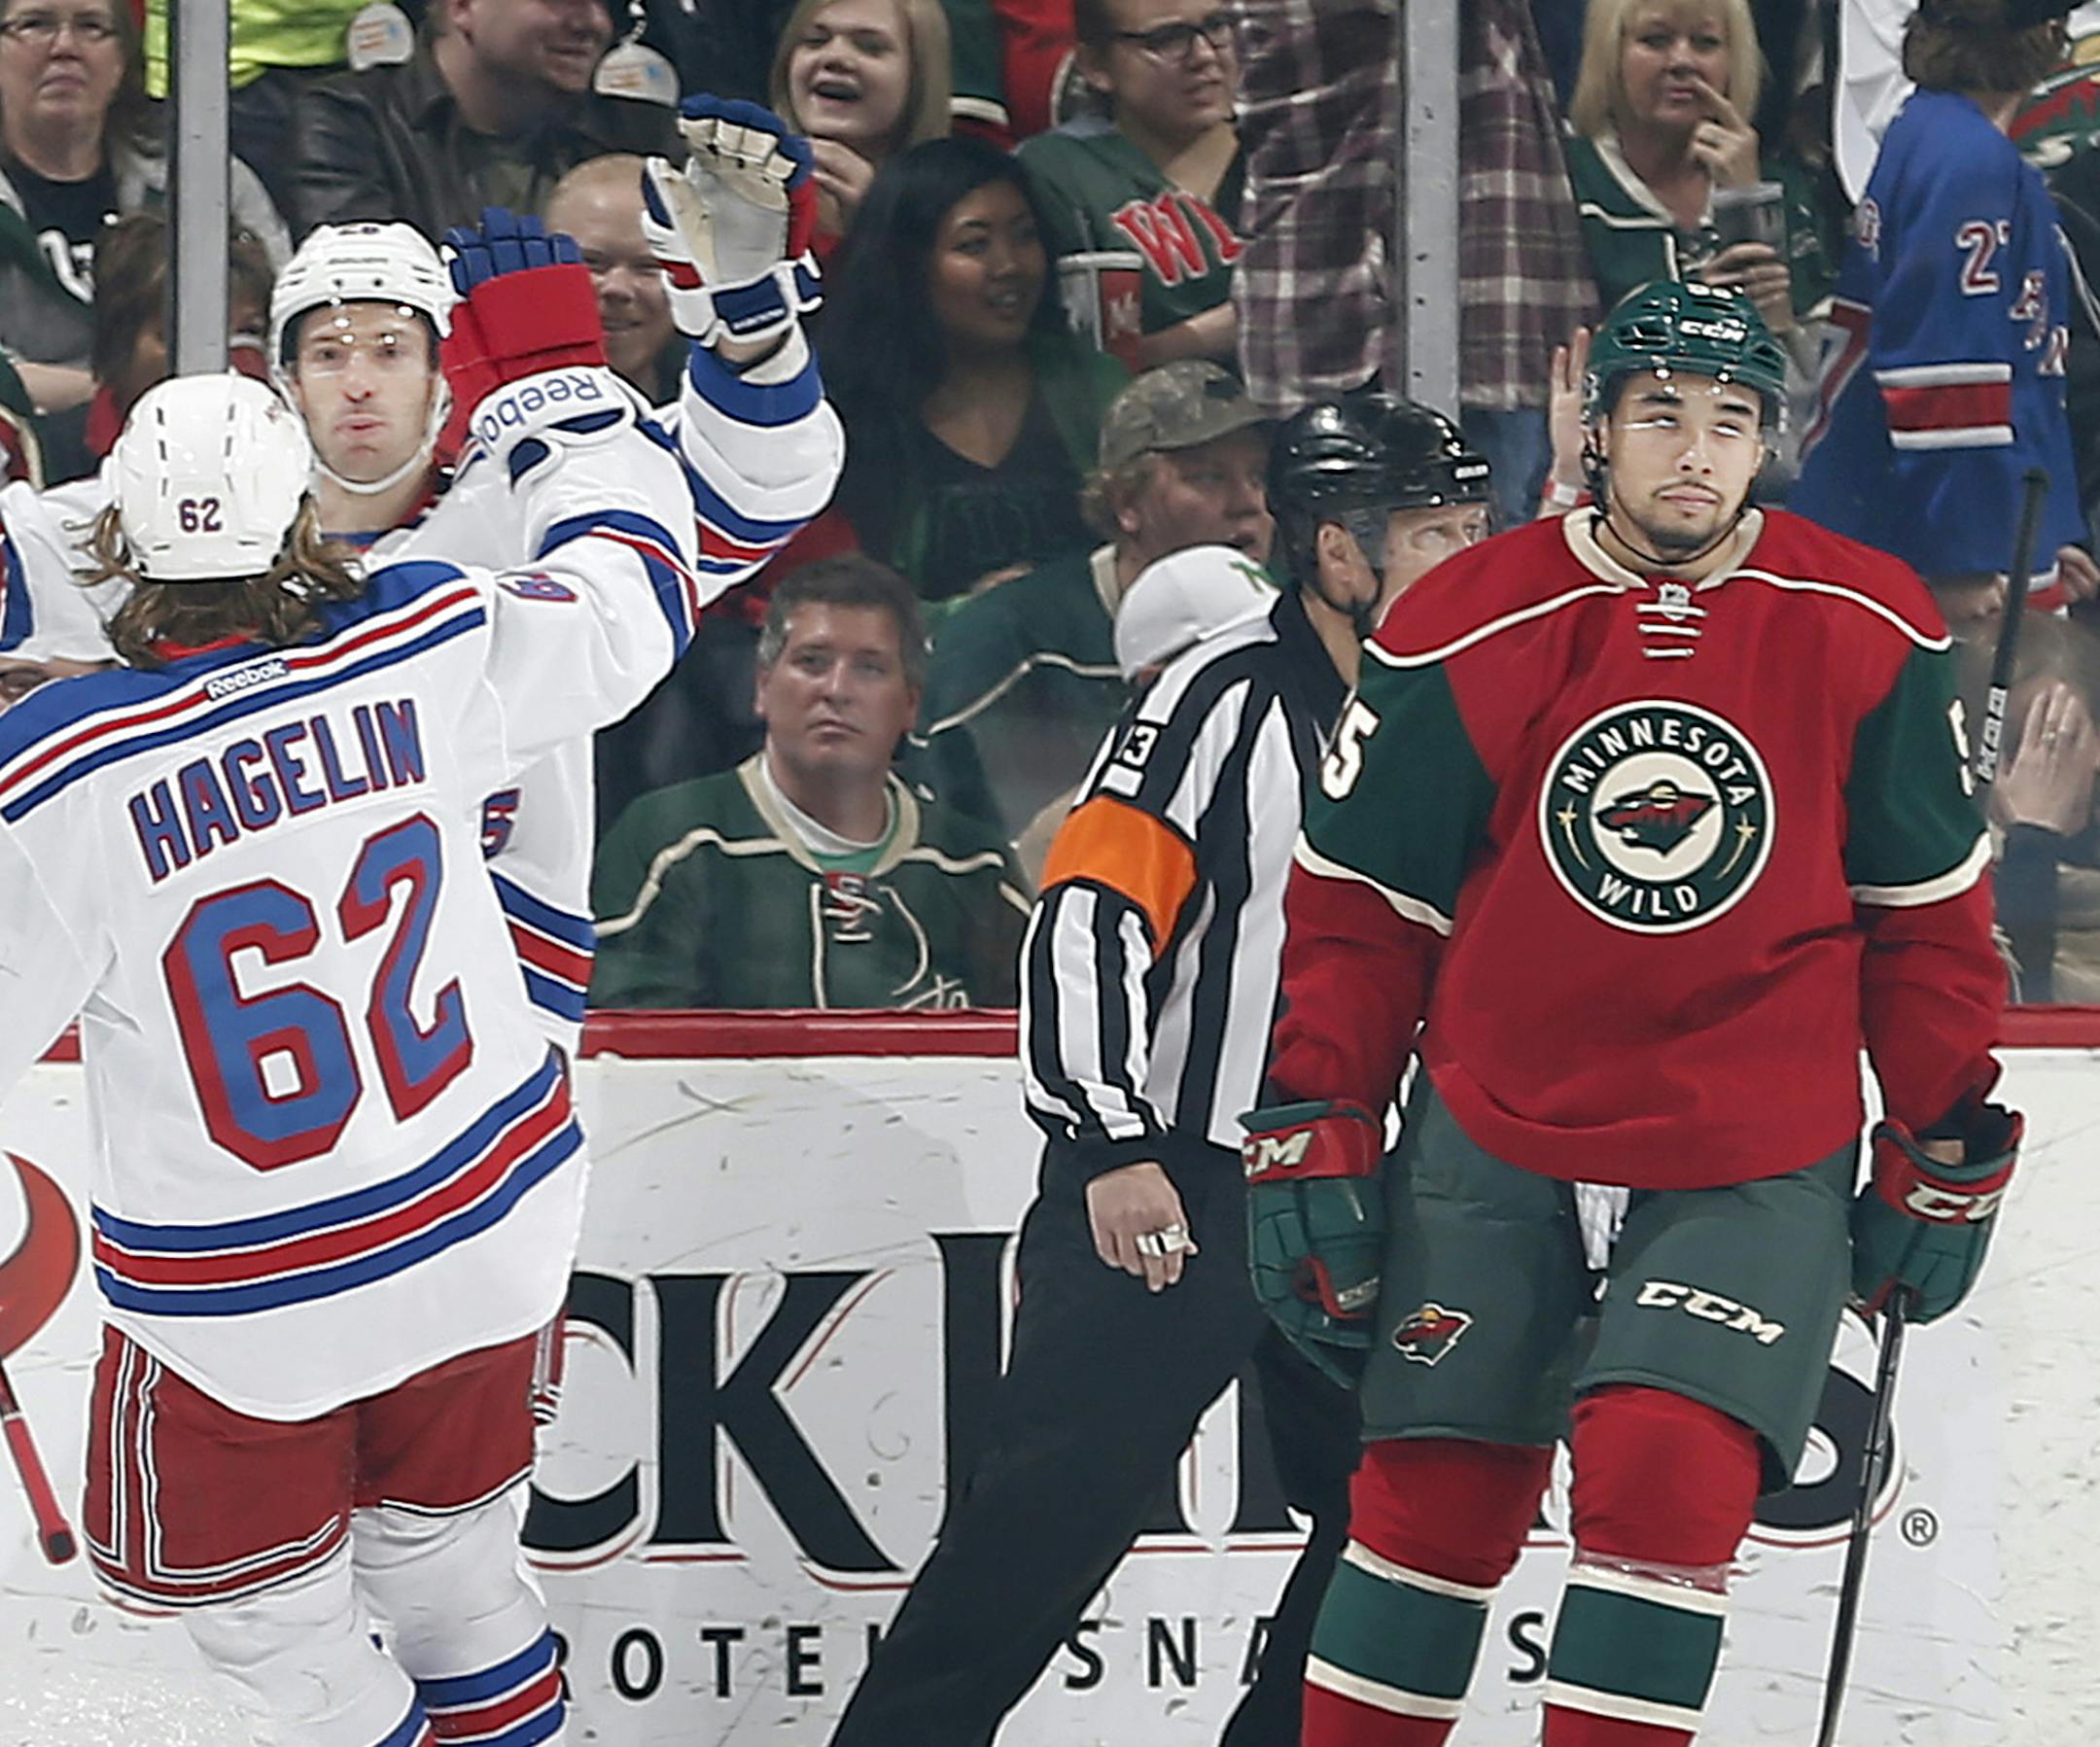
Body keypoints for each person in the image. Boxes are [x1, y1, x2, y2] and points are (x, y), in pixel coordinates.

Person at [1240, 280, 2015, 1747]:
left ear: (1766, 444)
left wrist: (1945, 1126)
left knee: (1668, 1488)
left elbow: (1927, 922)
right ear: (1593, 424)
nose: (1696, 453)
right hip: (1495, 1118)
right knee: (1428, 1504)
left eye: (1731, 422)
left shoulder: (1868, 622)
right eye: (1661, 413)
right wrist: (1322, 1116)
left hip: (1752, 1131)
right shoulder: (1465, 614)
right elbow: (1361, 911)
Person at [0, 221, 704, 1742]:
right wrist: (569, 399)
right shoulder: (428, 640)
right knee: (455, 1577)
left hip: (257, 1301)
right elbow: (637, 600)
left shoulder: (55, 776)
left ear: (117, 544)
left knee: (269, 1628)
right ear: (301, 525)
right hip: (489, 1222)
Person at [825, 389, 1492, 1747]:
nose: (1464, 560)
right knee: (1044, 1524)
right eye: (1432, 533)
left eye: (1474, 527)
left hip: (1364, 1187)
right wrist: (1109, 1140)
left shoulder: (1481, 696)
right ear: (1338, 549)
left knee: (1390, 1513)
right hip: (1183, 1180)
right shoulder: (1219, 694)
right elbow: (1090, 913)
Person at [1, 97, 845, 1050]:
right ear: (282, 382)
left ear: (449, 376)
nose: (358, 379)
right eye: (327, 352)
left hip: (480, 1027)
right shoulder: (169, 524)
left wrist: (753, 331)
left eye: (392, 349)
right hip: (213, 1045)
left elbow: (751, 490)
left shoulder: (522, 506)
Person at [590, 554, 1032, 1009]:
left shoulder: (975, 864)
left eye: (870, 669)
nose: (836, 689)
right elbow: (624, 1045)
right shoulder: (672, 840)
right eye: (812, 662)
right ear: (762, 687)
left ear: (910, 706)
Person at [1795, 0, 2094, 614]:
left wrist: (2044, 524)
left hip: (1949, 520)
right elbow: (1943, 380)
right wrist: (1963, 556)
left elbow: (2017, 360)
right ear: (2048, 35)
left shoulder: (1930, 131)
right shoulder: (1968, 165)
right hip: (1929, 546)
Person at [913, 356, 1272, 857]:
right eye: (1208, 477)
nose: (1248, 503)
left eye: (1258, 476)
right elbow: (955, 857)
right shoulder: (1008, 642)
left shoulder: (1310, 626)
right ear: (1127, 502)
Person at [818, 134, 1128, 603]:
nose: (1009, 265)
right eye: (974, 244)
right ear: (908, 265)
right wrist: (969, 619)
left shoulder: (1095, 383)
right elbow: (837, 598)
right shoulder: (847, 414)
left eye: (1025, 237)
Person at [0, 0, 288, 418]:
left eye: (92, 26)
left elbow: (287, 320)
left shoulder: (203, 177)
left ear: (123, 60)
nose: (65, 46)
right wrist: (120, 392)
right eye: (35, 24)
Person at [1563, 0, 1832, 380]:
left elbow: (1822, 390)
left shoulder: (1785, 191)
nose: (1682, 61)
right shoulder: (1567, 182)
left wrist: (1747, 204)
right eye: (1655, 40)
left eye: (1705, 43)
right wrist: (1690, 312)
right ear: (1611, 54)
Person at [283, 0, 677, 239]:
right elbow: (369, 295)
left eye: (605, 4)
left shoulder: (643, 137)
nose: (592, 23)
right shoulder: (354, 120)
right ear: (463, 7)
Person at [1018, 0, 1242, 369]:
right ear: (1096, 66)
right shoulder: (1056, 172)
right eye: (1167, 39)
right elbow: (1072, 363)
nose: (1203, 55)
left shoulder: (1290, 149)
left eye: (1218, 25)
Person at [770, 0, 953, 252]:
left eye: (870, 47)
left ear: (919, 77)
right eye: (815, 40)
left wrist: (878, 227)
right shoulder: (732, 191)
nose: (834, 58)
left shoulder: (956, 214)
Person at [543, 152, 681, 402]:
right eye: (592, 263)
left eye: (648, 266)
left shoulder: (731, 408)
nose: (617, 288)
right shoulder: (471, 412)